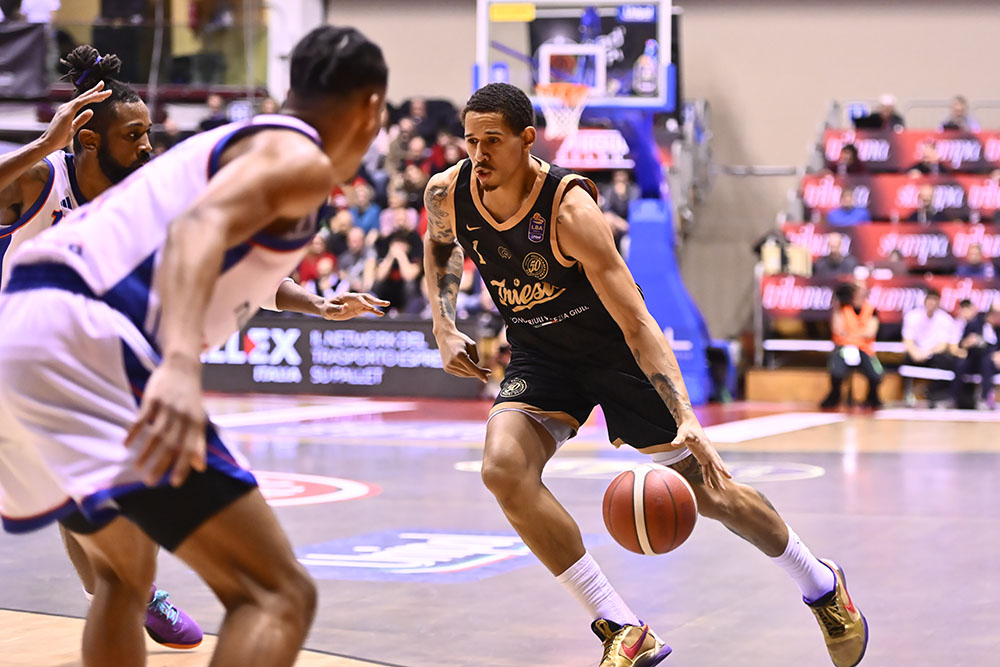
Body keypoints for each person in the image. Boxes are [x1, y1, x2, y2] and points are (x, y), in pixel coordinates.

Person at [424, 82, 867, 667]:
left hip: (617, 354)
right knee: (502, 468)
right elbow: (441, 246)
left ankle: (821, 584)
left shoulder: (570, 212)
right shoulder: (447, 192)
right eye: (471, 141)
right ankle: (623, 629)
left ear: (527, 139)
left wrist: (687, 418)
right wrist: (444, 323)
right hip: (541, 355)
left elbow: (637, 322)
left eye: (493, 141)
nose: (478, 155)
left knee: (713, 495)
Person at [0, 26, 388, 667]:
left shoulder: (235, 151)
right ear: (372, 108)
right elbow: (199, 230)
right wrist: (179, 366)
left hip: (20, 329)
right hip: (84, 332)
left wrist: (318, 304)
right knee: (276, 594)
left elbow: (231, 257)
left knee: (123, 576)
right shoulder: (298, 158)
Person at [0, 44, 205, 649]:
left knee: (87, 489)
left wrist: (311, 302)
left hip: (60, 368)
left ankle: (128, 592)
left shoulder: (140, 203)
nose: (147, 147)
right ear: (88, 140)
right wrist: (44, 143)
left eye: (149, 133)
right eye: (134, 135)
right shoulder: (42, 179)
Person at [821, 282, 882, 409]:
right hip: (844, 347)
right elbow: (838, 330)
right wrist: (858, 334)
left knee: (876, 374)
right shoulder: (842, 307)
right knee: (836, 372)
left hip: (864, 348)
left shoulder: (871, 309)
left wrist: (849, 335)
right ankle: (835, 395)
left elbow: (870, 333)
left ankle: (872, 397)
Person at [902, 289, 959, 406]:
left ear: (938, 302)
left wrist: (927, 353)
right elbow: (907, 340)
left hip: (934, 354)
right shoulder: (912, 316)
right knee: (905, 360)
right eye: (929, 300)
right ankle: (907, 394)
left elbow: (943, 345)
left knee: (946, 362)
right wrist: (915, 353)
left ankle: (936, 396)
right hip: (916, 353)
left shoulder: (945, 319)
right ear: (924, 301)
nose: (931, 303)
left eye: (934, 300)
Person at [952, 299, 998, 409]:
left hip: (992, 362)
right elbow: (962, 343)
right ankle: (954, 399)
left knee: (987, 363)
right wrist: (968, 342)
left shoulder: (998, 328)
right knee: (960, 364)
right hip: (974, 358)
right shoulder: (975, 323)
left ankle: (985, 399)